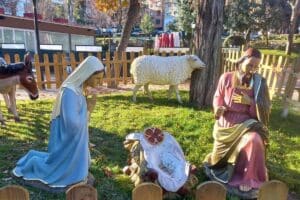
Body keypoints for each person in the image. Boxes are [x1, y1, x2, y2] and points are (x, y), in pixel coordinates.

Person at [12, 56, 104, 189]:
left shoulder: (78, 89)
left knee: (80, 169)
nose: (99, 82)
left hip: (74, 143)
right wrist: (88, 109)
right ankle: (33, 163)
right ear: (87, 74)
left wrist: (87, 108)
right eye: (97, 78)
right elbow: (73, 125)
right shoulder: (70, 92)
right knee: (58, 169)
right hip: (68, 142)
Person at [204, 48, 271, 196]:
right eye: (250, 65)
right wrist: (218, 109)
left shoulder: (259, 82)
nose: (252, 70)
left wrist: (251, 102)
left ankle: (248, 178)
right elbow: (217, 97)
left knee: (254, 139)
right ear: (241, 61)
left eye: (256, 67)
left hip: (247, 122)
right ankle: (226, 166)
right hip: (227, 123)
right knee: (217, 161)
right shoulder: (226, 77)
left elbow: (264, 109)